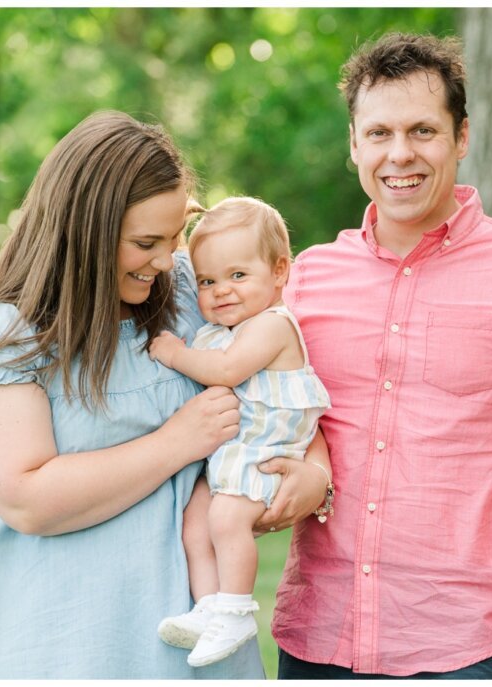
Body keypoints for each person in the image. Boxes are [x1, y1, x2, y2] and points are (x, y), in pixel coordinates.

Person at [0, 111, 330, 679]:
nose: (167, 260)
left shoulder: (191, 296)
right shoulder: (2, 338)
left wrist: (314, 470)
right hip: (71, 644)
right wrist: (178, 441)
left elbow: (281, 379)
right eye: (146, 242)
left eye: (174, 237)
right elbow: (26, 499)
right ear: (85, 232)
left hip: (197, 644)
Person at [271, 33, 492, 679]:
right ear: (354, 144)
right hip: (316, 634)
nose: (400, 154)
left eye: (423, 130)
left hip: (460, 644)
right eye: (379, 133)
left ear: (463, 136)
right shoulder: (307, 278)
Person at [148, 197, 331, 667]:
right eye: (207, 281)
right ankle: (210, 607)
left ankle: (236, 608)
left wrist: (172, 353)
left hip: (266, 455)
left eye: (237, 276)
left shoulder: (272, 325)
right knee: (196, 521)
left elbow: (226, 370)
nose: (220, 291)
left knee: (227, 520)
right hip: (232, 457)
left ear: (279, 272)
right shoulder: (224, 327)